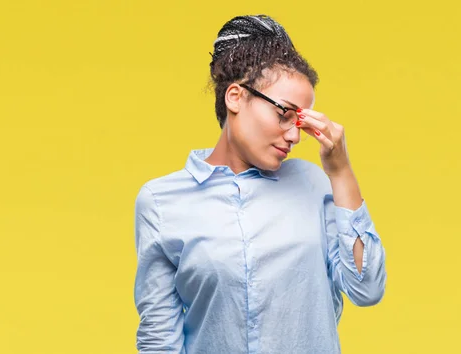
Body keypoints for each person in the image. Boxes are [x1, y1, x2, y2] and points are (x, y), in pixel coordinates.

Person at [133, 14, 387, 354]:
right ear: (235, 98)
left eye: (300, 122)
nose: (295, 135)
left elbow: (366, 288)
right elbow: (158, 339)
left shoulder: (313, 186)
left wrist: (341, 172)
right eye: (284, 114)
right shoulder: (162, 202)